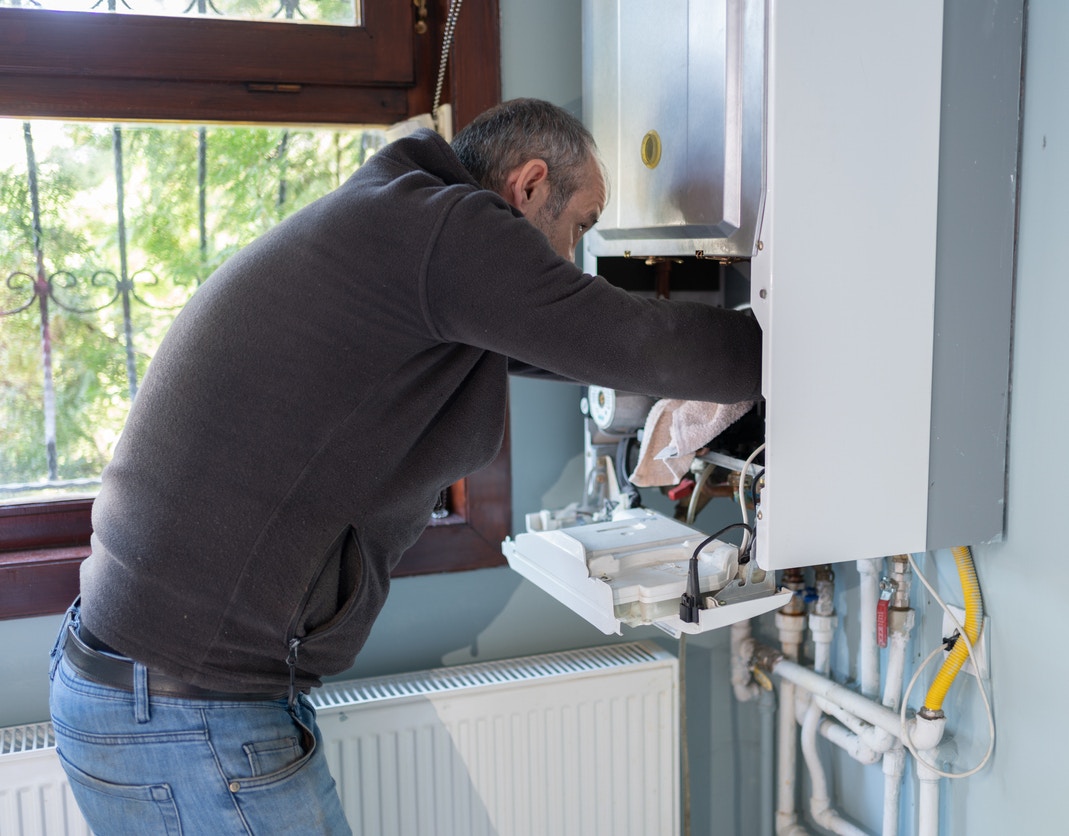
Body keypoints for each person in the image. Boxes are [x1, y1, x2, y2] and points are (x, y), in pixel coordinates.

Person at [48, 98, 762, 834]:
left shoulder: (401, 222)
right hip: (184, 707)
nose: (574, 257)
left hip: (143, 683)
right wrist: (786, 340)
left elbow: (572, 341)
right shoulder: (447, 231)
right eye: (579, 226)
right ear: (528, 185)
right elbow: (628, 340)